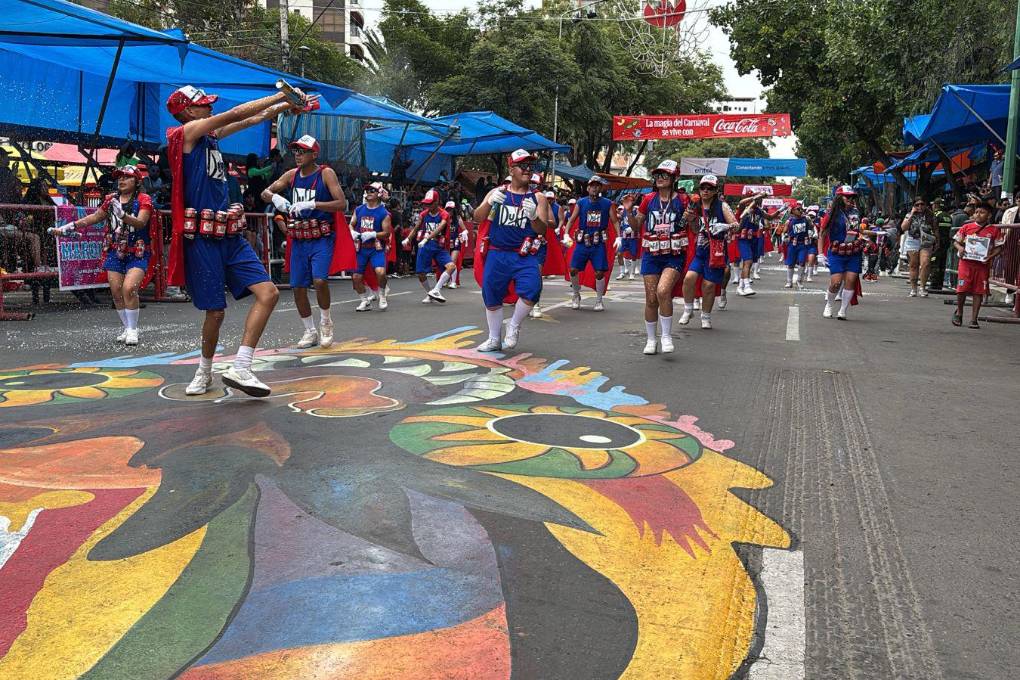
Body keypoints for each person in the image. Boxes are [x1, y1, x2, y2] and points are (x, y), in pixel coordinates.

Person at [165, 85, 303, 398]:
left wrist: (286, 106)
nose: (210, 108)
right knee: (215, 312)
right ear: (188, 111)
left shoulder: (209, 137)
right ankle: (204, 371)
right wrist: (281, 96)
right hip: (203, 239)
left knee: (268, 293)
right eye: (203, 104)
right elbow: (236, 113)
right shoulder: (185, 133)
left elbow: (252, 118)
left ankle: (241, 366)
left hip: (228, 233)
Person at [49, 166, 155, 345]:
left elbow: (141, 223)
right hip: (115, 251)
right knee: (116, 292)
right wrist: (70, 226)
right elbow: (94, 217)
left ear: (137, 182)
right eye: (120, 177)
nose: (121, 180)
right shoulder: (111, 199)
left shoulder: (144, 199)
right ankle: (127, 327)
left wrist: (123, 215)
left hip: (137, 252)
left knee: (129, 288)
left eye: (127, 177)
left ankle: (132, 329)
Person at [261, 134, 349, 349]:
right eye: (296, 151)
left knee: (320, 281)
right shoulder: (291, 175)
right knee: (298, 287)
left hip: (321, 236)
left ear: (314, 154)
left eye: (303, 151)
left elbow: (342, 204)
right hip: (299, 238)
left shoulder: (326, 173)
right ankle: (309, 331)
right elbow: (265, 192)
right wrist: (275, 198)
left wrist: (313, 204)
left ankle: (326, 323)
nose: (298, 155)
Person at [473, 149, 551, 351]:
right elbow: (477, 218)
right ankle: (493, 338)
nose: (527, 169)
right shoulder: (497, 192)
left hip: (524, 254)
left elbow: (542, 229)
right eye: (522, 166)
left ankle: (514, 325)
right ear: (511, 169)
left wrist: (533, 216)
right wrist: (489, 203)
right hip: (497, 252)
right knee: (491, 295)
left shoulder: (538, 197)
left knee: (532, 290)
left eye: (530, 166)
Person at [627, 159, 687, 354]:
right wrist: (629, 211)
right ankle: (651, 339)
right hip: (651, 254)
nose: (660, 178)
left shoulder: (683, 200)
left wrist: (692, 218)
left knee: (663, 291)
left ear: (674, 178)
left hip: (674, 254)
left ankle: (666, 336)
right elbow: (636, 227)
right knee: (651, 299)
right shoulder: (648, 199)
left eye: (664, 175)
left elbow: (693, 228)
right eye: (657, 175)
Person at [679, 175, 738, 329]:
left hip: (716, 252)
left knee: (709, 285)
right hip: (700, 251)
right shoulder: (695, 205)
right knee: (689, 278)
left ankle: (706, 316)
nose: (705, 191)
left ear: (715, 190)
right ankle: (688, 309)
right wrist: (691, 219)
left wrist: (725, 226)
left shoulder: (722, 206)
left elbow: (736, 225)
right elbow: (695, 230)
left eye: (709, 188)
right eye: (703, 188)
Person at [565, 176, 619, 311]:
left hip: (598, 242)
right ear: (588, 188)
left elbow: (615, 221)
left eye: (597, 186)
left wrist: (619, 237)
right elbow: (572, 219)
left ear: (601, 188)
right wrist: (566, 234)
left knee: (599, 272)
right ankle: (576, 294)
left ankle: (599, 300)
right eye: (592, 186)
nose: (594, 188)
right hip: (582, 241)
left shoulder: (607, 203)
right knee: (573, 269)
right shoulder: (581, 202)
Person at [952, 199, 1005, 328]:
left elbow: (999, 247)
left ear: (989, 215)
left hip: (982, 265)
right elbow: (956, 242)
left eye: (982, 212)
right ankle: (959, 312)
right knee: (961, 289)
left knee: (978, 291)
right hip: (966, 263)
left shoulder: (994, 230)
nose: (978, 214)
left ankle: (974, 319)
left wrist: (990, 256)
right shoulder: (966, 227)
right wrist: (960, 248)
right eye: (976, 212)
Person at [818, 185, 863, 320]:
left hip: (853, 251)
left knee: (850, 280)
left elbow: (858, 231)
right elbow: (822, 234)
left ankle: (843, 310)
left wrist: (869, 235)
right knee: (836, 282)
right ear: (839, 198)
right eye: (847, 197)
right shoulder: (831, 214)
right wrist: (820, 254)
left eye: (852, 197)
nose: (850, 199)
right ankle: (829, 305)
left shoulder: (856, 212)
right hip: (837, 252)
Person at [409, 189, 457, 304]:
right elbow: (416, 228)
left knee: (451, 267)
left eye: (430, 203)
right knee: (420, 273)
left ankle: (436, 290)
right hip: (425, 246)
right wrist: (408, 239)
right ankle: (429, 293)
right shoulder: (423, 214)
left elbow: (440, 227)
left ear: (437, 202)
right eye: (426, 203)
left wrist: (427, 238)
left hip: (439, 246)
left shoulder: (444, 214)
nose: (427, 206)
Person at [350, 181, 392, 311]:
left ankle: (382, 295)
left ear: (379, 194)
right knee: (356, 277)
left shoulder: (384, 213)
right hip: (361, 248)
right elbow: (351, 224)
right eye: (367, 190)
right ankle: (364, 300)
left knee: (380, 272)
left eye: (372, 191)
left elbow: (386, 233)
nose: (369, 193)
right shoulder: (359, 209)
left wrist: (373, 234)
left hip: (376, 248)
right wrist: (352, 232)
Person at [899, 197, 938, 297]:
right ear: (914, 206)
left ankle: (922, 287)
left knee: (925, 263)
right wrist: (912, 214)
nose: (920, 206)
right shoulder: (909, 215)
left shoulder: (930, 215)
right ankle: (913, 288)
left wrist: (937, 242)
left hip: (926, 241)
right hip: (913, 240)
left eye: (922, 204)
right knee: (913, 265)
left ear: (925, 205)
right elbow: (903, 228)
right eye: (917, 205)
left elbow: (935, 229)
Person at [735, 193, 767, 296]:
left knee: (748, 263)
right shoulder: (744, 209)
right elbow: (741, 203)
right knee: (747, 261)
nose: (760, 201)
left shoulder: (759, 211)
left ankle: (740, 287)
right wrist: (755, 198)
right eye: (759, 198)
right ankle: (747, 286)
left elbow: (770, 217)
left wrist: (781, 210)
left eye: (761, 199)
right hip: (743, 239)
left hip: (754, 239)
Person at [780, 203, 813, 289]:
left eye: (801, 209)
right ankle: (789, 281)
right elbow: (784, 232)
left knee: (802, 262)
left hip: (803, 244)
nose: (800, 210)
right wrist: (784, 237)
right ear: (793, 211)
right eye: (798, 209)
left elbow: (812, 228)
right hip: (792, 244)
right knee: (791, 263)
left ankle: (799, 281)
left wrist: (811, 232)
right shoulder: (789, 221)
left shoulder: (806, 219)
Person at [615, 199, 640, 281]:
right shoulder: (622, 209)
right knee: (619, 253)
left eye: (629, 201)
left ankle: (632, 273)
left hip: (633, 236)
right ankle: (622, 272)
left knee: (633, 254)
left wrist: (632, 228)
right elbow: (617, 218)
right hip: (623, 236)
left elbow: (640, 221)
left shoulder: (636, 210)